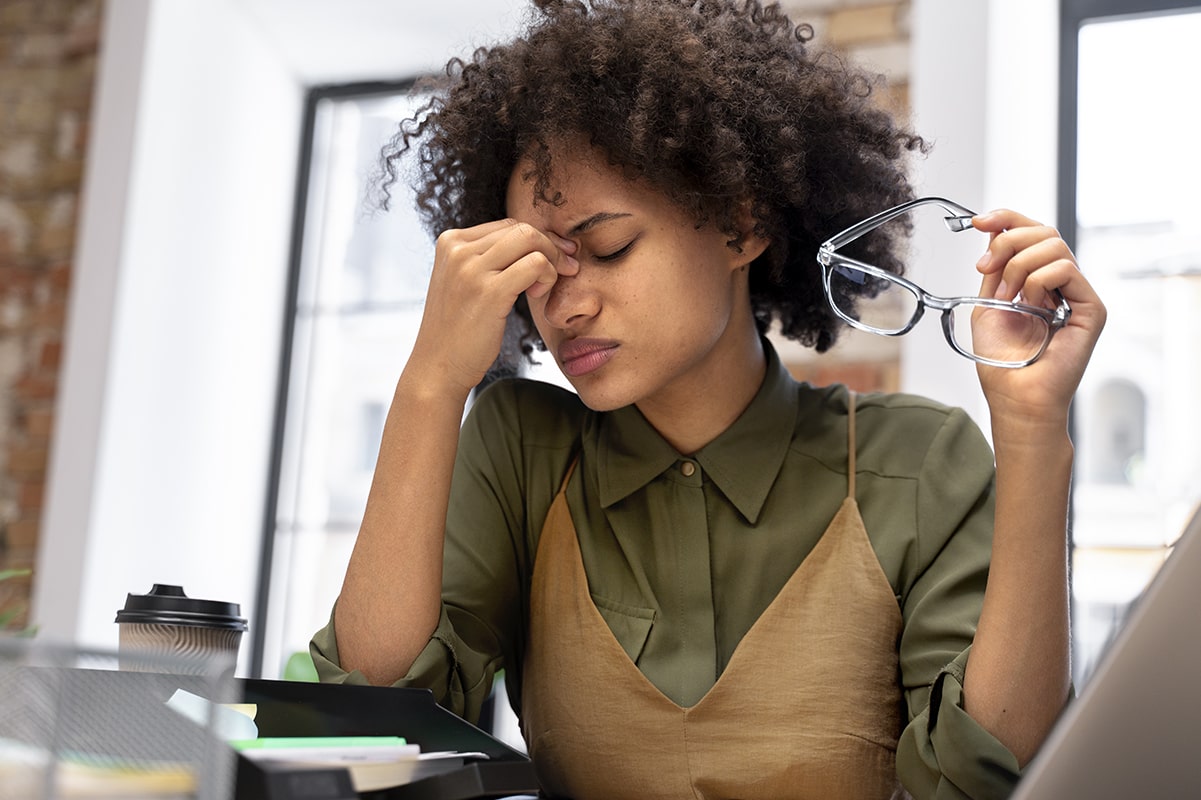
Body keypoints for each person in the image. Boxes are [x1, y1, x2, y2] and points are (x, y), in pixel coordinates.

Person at [310, 1, 1106, 797]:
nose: (565, 304)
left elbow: (992, 775)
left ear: (740, 224)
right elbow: (375, 728)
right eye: (538, 268)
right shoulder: (521, 449)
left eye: (609, 247)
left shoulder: (917, 462)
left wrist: (1032, 431)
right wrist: (430, 385)